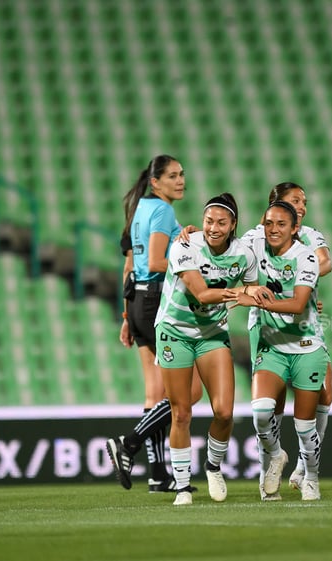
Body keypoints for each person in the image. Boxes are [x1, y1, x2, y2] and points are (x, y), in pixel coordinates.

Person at [156, 193, 257, 506]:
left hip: (212, 334)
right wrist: (242, 292)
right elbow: (200, 294)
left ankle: (213, 466)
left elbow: (256, 291)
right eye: (209, 220)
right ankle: (183, 486)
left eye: (221, 222)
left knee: (224, 412)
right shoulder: (186, 245)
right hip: (175, 331)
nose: (213, 227)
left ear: (233, 225)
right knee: (182, 412)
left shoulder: (245, 255)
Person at [106, 155, 200, 492]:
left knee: (154, 390)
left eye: (182, 174)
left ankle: (158, 473)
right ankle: (128, 444)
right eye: (172, 176)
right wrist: (194, 258)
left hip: (136, 301)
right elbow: (160, 261)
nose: (180, 180)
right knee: (187, 392)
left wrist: (125, 315)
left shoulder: (139, 211)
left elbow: (130, 264)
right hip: (157, 300)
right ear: (155, 181)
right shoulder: (162, 211)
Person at [240, 182, 332, 499]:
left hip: (303, 335)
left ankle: (308, 473)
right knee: (268, 409)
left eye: (304, 202)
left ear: (293, 227)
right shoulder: (254, 237)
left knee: (318, 403)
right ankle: (273, 467)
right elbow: (228, 260)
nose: (303, 206)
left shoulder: (308, 239)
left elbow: (324, 264)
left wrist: (301, 293)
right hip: (266, 331)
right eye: (296, 200)